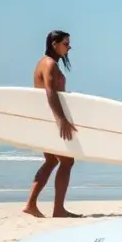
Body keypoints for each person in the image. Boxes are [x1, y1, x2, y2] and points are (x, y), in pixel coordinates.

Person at [22, 30, 80, 218]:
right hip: (51, 121)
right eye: (66, 43)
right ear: (54, 43)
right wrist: (61, 119)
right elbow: (50, 92)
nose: (69, 47)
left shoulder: (45, 63)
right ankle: (58, 209)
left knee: (52, 160)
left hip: (46, 120)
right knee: (67, 161)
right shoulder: (49, 64)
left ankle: (31, 204)